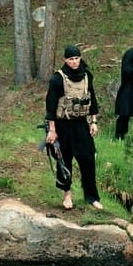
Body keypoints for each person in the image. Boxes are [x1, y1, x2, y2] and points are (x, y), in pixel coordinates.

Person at [44, 45, 102, 211]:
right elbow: (51, 106)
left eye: (76, 58)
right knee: (64, 159)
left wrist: (93, 121)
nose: (74, 62)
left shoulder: (86, 75)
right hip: (63, 125)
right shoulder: (57, 79)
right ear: (65, 60)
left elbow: (92, 99)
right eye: (71, 59)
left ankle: (92, 197)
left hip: (81, 123)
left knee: (88, 159)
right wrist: (52, 130)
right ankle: (67, 194)